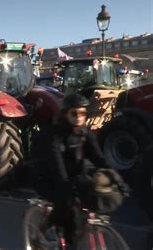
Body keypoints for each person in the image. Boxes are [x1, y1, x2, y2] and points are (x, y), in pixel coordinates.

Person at [39, 93, 127, 245]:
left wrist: (116, 177)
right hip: (49, 174)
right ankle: (47, 226)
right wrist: (65, 184)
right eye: (74, 113)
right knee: (66, 209)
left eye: (83, 113)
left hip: (74, 175)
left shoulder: (84, 133)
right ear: (65, 114)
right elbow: (56, 163)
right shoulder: (54, 135)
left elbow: (99, 159)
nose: (79, 117)